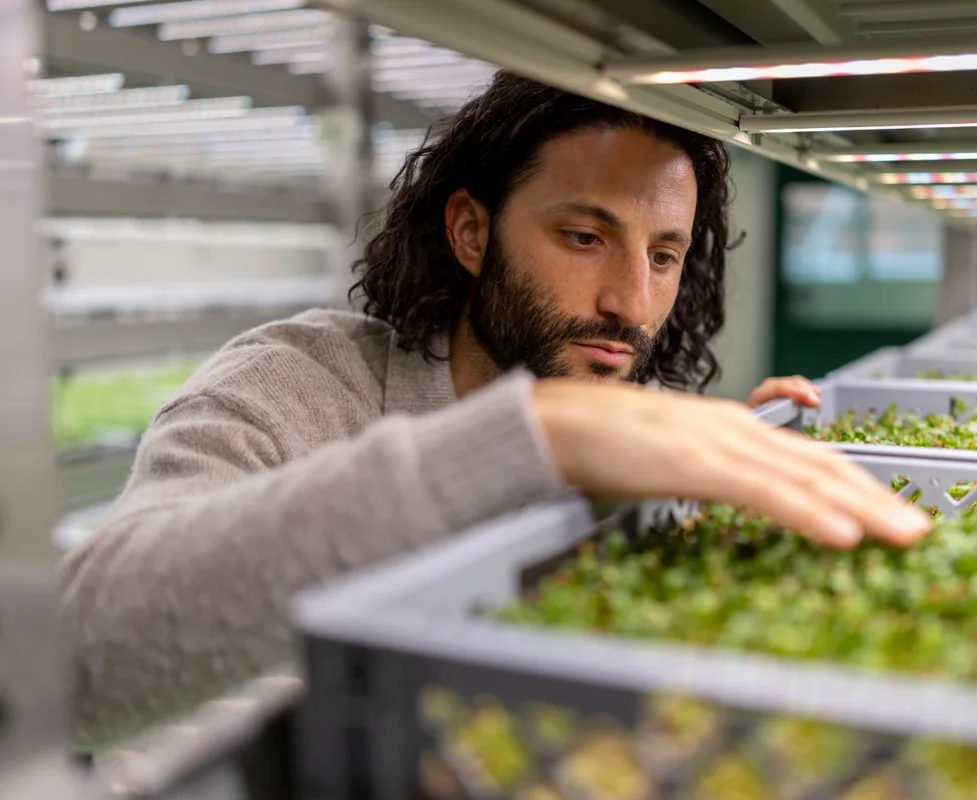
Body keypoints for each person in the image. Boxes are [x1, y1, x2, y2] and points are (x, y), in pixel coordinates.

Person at [60, 71, 930, 750]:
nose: (631, 301)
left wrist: (731, 488)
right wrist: (529, 438)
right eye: (584, 238)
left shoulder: (631, 402)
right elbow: (74, 662)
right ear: (472, 232)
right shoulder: (294, 385)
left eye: (663, 255)